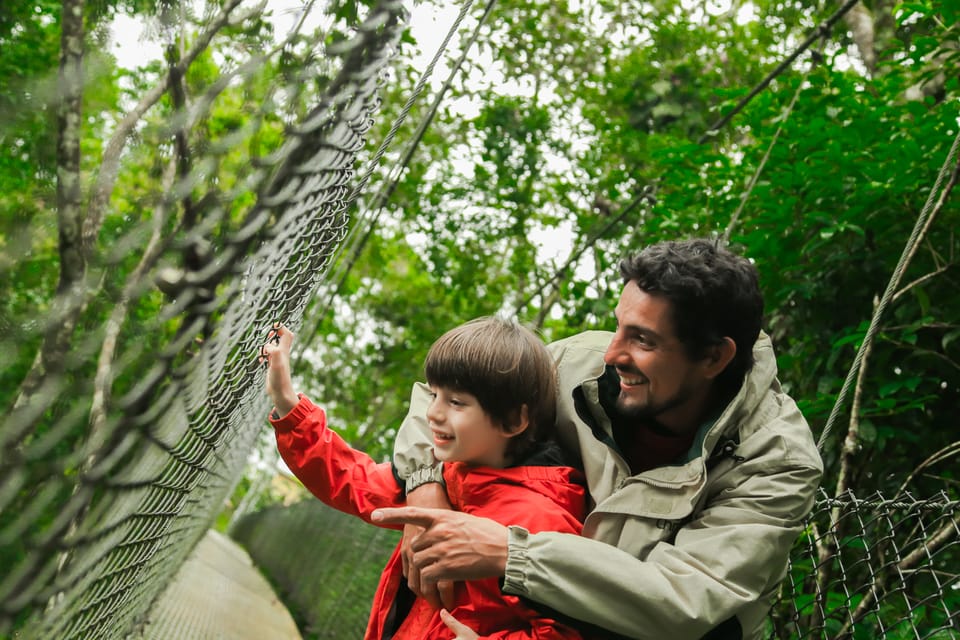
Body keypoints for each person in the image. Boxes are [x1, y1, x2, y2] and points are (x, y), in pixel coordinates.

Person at [374, 238, 825, 640]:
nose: (612, 353)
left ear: (713, 356)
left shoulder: (777, 459)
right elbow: (441, 406)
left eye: (642, 340)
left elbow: (687, 600)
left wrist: (512, 554)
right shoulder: (575, 365)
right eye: (618, 327)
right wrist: (427, 489)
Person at [260, 316, 590, 639]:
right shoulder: (449, 476)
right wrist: (288, 403)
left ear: (514, 420)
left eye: (456, 402)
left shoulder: (539, 520)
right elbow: (351, 479)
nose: (432, 413)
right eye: (434, 395)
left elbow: (564, 630)